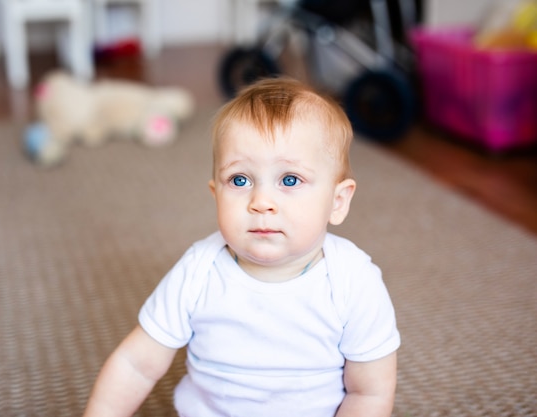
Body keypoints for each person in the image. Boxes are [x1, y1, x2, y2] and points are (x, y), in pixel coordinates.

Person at [82, 78, 400, 417]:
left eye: (289, 180)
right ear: (215, 194)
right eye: (239, 180)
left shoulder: (353, 280)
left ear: (337, 202)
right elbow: (136, 365)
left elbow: (369, 393)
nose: (261, 201)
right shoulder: (199, 269)